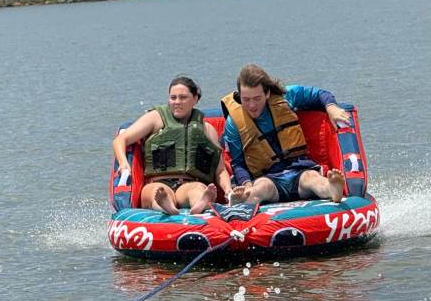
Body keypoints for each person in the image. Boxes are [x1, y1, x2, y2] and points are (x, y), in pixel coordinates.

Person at [221, 64, 349, 205]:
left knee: (312, 178)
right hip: (269, 177)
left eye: (257, 98)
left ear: (267, 93)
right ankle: (245, 198)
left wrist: (331, 107)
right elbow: (238, 163)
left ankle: (332, 189)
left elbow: (319, 94)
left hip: (300, 169)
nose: (251, 105)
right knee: (262, 187)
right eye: (246, 99)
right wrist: (246, 184)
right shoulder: (233, 123)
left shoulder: (287, 96)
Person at [112, 76, 232, 215]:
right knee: (157, 191)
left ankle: (200, 203)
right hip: (158, 182)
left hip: (188, 184)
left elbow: (220, 170)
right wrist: (123, 162)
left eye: (183, 97)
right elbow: (120, 140)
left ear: (195, 99)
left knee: (198, 189)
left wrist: (228, 190)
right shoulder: (155, 119)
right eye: (173, 97)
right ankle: (165, 205)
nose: (177, 102)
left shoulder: (207, 129)